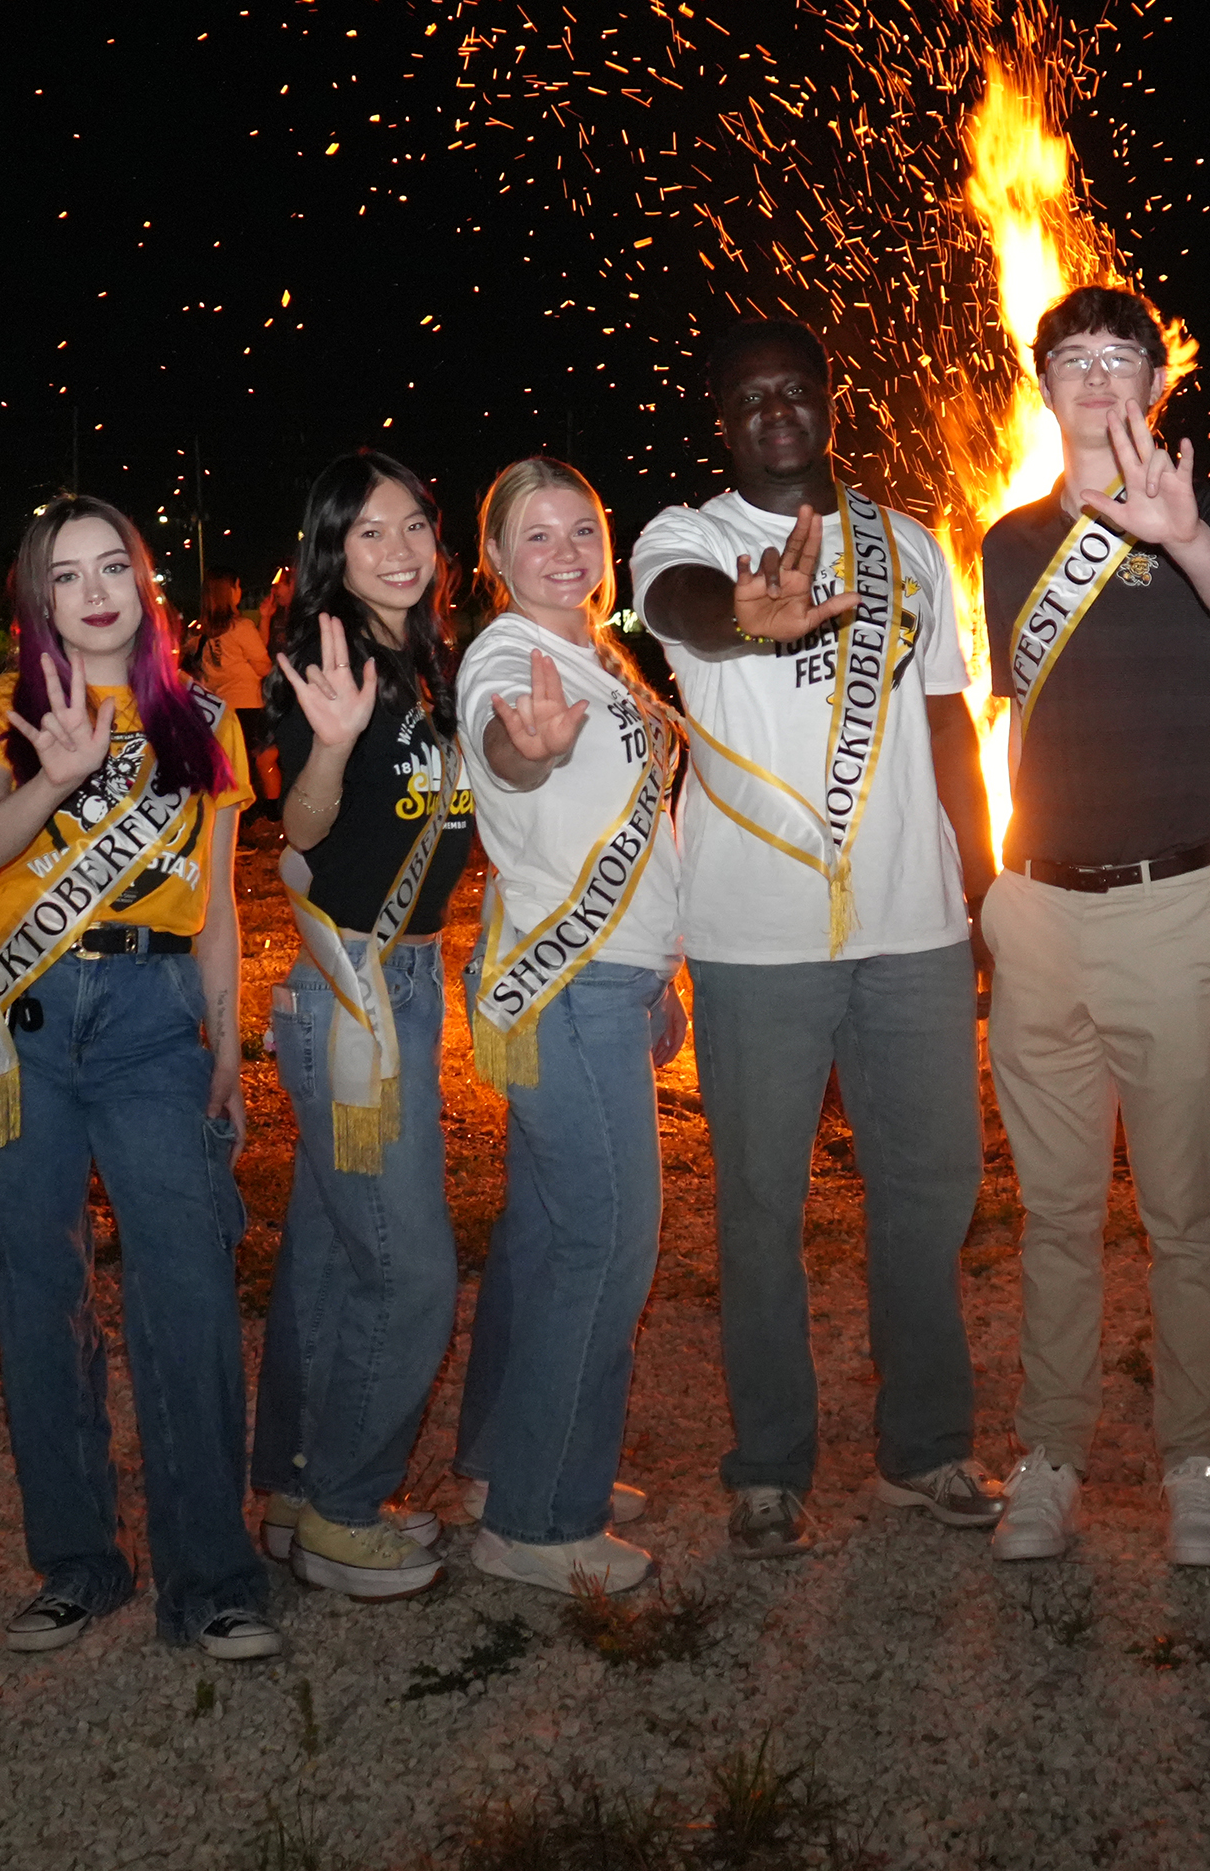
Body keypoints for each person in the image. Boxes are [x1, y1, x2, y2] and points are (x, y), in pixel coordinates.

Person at [630, 320, 1003, 1559]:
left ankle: (928, 1447)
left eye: (796, 390)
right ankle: (771, 1464)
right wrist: (748, 611)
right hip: (754, 935)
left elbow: (950, 722)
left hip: (913, 921)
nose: (775, 410)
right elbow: (684, 610)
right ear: (722, 418)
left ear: (830, 401)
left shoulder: (907, 546)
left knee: (930, 1190)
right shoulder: (684, 540)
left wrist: (985, 881)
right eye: (750, 397)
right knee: (759, 1206)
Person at [0, 497, 273, 1660]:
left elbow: (215, 899)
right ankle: (77, 1561)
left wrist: (227, 1038)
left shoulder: (206, 716)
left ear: (145, 583)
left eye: (115, 566)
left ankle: (212, 1573)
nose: (97, 589)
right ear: (38, 600)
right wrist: (54, 779)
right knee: (35, 1295)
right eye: (68, 576)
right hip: (21, 1025)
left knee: (190, 1292)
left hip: (159, 1020)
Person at [975, 283, 1210, 1567]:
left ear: (1156, 387)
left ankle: (1195, 1462)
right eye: (1075, 361)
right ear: (1041, 386)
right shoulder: (1000, 543)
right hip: (1039, 909)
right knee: (1052, 1215)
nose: (1099, 380)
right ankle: (1050, 1452)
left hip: (1171, 906)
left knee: (1181, 1214)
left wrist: (1186, 540)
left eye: (1121, 361)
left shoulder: (1206, 510)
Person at [453, 456, 685, 1594]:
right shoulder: (512, 656)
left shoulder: (603, 654)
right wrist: (523, 751)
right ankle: (542, 1521)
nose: (563, 553)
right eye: (534, 537)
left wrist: (662, 974)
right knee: (606, 1247)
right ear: (492, 559)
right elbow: (508, 745)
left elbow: (636, 830)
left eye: (580, 531)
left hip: (607, 981)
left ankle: (509, 1462)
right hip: (569, 989)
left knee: (546, 1241)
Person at [249, 453, 474, 1601]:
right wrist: (331, 746)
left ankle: (294, 1488)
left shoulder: (427, 661)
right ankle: (346, 1512)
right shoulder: (327, 660)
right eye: (369, 532)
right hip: (351, 995)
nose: (399, 548)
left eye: (415, 524)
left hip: (409, 988)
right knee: (411, 1270)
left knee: (336, 1257)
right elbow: (300, 822)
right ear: (331, 550)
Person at [195, 570, 282, 823]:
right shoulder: (241, 626)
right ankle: (266, 813)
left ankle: (238, 815)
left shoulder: (207, 632)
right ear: (230, 592)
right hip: (249, 705)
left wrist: (264, 619)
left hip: (222, 708)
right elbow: (262, 664)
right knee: (263, 757)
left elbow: (248, 648)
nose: (240, 590)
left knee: (232, 763)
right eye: (238, 586)